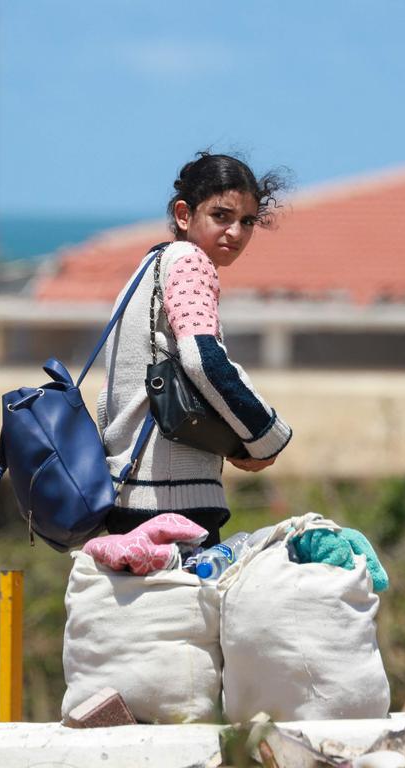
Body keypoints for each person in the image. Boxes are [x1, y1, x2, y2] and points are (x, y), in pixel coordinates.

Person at [97, 153, 293, 546]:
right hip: (174, 502)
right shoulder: (190, 262)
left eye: (247, 221)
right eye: (221, 216)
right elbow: (203, 360)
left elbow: (111, 396)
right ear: (184, 215)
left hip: (126, 495)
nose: (236, 233)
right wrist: (266, 437)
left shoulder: (147, 269)